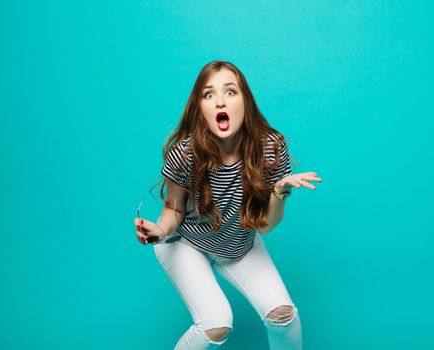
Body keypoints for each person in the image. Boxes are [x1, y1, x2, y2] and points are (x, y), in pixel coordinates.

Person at [133, 60, 322, 349]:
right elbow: (174, 209)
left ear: (245, 101)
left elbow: (267, 227)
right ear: (200, 109)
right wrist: (159, 230)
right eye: (209, 95)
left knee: (283, 315)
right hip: (185, 243)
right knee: (216, 324)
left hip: (237, 243)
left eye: (230, 92)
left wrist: (279, 191)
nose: (220, 100)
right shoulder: (184, 153)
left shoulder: (270, 147)